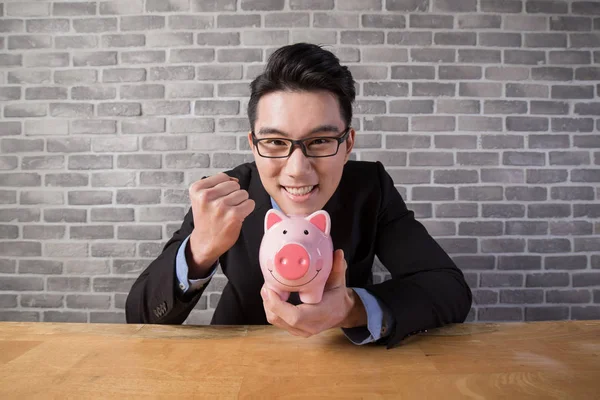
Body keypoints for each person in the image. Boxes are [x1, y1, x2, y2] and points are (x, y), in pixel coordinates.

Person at [125, 43, 472, 348]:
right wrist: (200, 249)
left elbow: (449, 288)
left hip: (346, 359)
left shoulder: (371, 188)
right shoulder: (225, 195)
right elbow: (139, 316)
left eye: (319, 141)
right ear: (254, 145)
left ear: (347, 143)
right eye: (275, 142)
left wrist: (352, 308)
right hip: (242, 355)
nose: (297, 169)